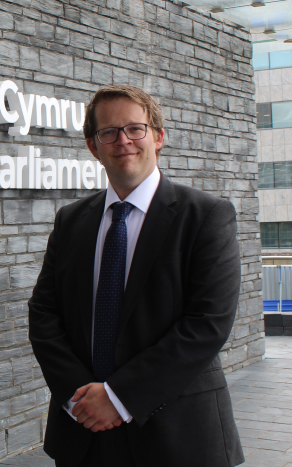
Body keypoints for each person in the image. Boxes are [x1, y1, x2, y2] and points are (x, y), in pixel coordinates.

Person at [28, 84, 244, 467]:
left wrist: (118, 396)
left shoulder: (206, 215)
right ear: (93, 146)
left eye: (134, 129)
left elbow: (207, 324)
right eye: (108, 132)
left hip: (179, 433)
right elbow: (44, 314)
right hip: (84, 432)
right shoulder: (71, 220)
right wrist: (81, 399)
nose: (122, 140)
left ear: (158, 137)